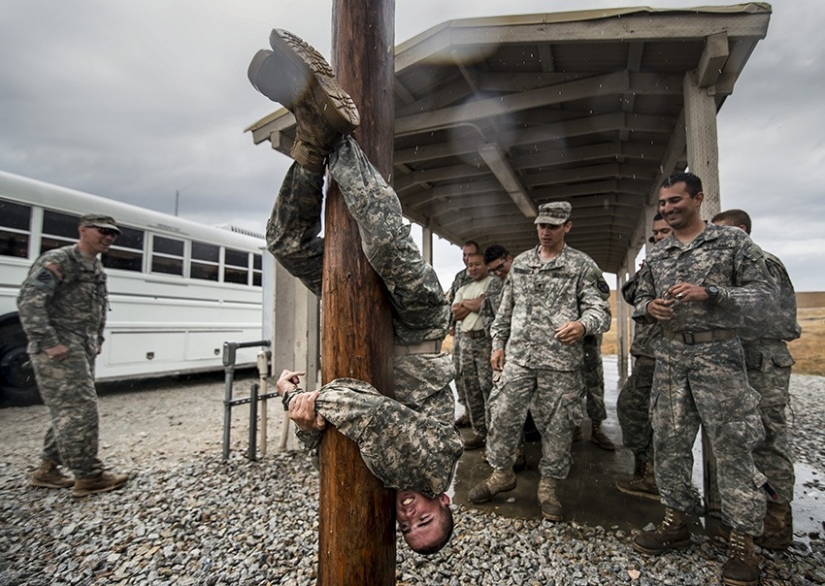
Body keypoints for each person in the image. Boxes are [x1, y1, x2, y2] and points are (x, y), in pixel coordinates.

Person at [248, 28, 463, 554]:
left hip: (370, 327)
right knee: (384, 243)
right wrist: (309, 401)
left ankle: (312, 139)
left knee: (284, 241)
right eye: (427, 521)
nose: (411, 516)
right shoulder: (436, 463)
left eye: (407, 528)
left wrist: (298, 415)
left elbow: (328, 448)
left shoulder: (383, 483)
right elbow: (360, 408)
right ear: (445, 503)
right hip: (416, 326)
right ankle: (338, 132)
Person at [631, 173, 776, 586]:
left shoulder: (732, 243)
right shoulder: (658, 254)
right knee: (670, 443)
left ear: (698, 198)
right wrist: (650, 308)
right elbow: (639, 298)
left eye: (676, 201)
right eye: (663, 204)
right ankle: (676, 520)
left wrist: (712, 293)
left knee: (733, 448)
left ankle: (742, 542)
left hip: (720, 357)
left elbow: (765, 296)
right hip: (672, 357)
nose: (668, 209)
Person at [468, 201, 611, 522]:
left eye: (553, 226)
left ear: (567, 227)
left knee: (558, 426)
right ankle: (501, 473)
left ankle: (548, 487)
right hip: (518, 359)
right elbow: (505, 311)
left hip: (559, 364)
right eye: (541, 225)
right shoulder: (520, 264)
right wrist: (497, 345)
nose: (545, 232)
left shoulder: (580, 265)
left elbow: (600, 311)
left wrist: (582, 324)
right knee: (502, 415)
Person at [18, 214, 129, 498]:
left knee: (69, 410)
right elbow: (30, 302)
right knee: (80, 409)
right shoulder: (59, 260)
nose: (108, 237)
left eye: (113, 234)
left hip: (81, 346)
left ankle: (48, 470)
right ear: (83, 230)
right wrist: (49, 342)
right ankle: (88, 476)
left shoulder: (96, 268)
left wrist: (98, 339)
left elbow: (98, 309)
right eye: (102, 231)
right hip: (61, 348)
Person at [712, 208, 801, 551]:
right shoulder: (737, 266)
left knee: (768, 436)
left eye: (724, 233)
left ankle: (777, 521)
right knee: (738, 439)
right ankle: (746, 518)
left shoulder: (763, 262)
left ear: (742, 231)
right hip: (738, 355)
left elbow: (766, 313)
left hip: (763, 359)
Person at [615, 213, 671, 500]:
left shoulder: (686, 261)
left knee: (664, 419)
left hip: (672, 356)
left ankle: (657, 478)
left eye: (665, 232)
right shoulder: (655, 264)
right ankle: (649, 472)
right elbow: (630, 294)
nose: (659, 238)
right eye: (655, 235)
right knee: (634, 408)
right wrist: (646, 271)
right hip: (650, 355)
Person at [451, 252, 493, 450]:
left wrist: (470, 304)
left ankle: (493, 435)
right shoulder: (464, 287)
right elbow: (456, 312)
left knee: (488, 388)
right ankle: (479, 432)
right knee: (471, 388)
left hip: (485, 341)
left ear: (485, 265)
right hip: (466, 342)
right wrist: (475, 303)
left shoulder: (492, 283)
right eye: (470, 266)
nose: (474, 268)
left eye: (477, 264)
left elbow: (482, 305)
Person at [447, 241, 480, 428]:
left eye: (471, 254)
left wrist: (465, 307)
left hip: (476, 333)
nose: (467, 258)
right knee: (459, 373)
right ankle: (467, 411)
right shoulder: (460, 277)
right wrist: (469, 306)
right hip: (460, 334)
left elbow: (482, 304)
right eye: (464, 255)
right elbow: (453, 307)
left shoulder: (484, 276)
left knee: (477, 379)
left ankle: (480, 419)